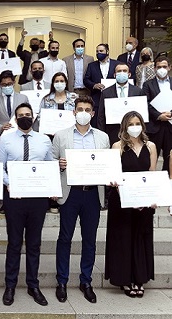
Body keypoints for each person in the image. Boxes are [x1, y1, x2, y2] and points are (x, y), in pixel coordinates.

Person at [52, 96, 110, 304]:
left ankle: (86, 280)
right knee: (65, 238)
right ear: (74, 112)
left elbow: (107, 165)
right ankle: (62, 281)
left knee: (90, 240)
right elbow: (51, 161)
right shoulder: (60, 136)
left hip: (93, 194)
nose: (83, 112)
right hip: (70, 193)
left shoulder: (103, 137)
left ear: (93, 113)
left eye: (87, 109)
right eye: (80, 109)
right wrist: (58, 164)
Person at [0, 102, 52, 307]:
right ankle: (10, 285)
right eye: (20, 115)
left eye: (28, 114)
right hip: (15, 198)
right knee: (14, 243)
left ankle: (33, 285)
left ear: (34, 116)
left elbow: (49, 166)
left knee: (34, 243)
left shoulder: (44, 140)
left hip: (38, 199)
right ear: (15, 117)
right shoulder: (5, 140)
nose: (24, 117)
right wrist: (10, 183)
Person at [105, 111, 157, 298]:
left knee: (140, 239)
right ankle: (124, 280)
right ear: (124, 127)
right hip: (122, 202)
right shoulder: (116, 146)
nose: (134, 126)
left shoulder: (151, 146)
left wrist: (148, 198)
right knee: (123, 239)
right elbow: (115, 176)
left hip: (143, 202)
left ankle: (139, 279)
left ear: (142, 125)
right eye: (130, 123)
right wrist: (129, 198)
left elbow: (151, 173)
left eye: (138, 123)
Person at [97, 63, 145, 145]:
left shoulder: (138, 91)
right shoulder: (106, 92)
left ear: (129, 74)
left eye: (124, 71)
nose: (122, 73)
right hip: (113, 131)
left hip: (133, 131)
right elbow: (101, 115)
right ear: (115, 75)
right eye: (119, 71)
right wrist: (102, 134)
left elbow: (142, 113)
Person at [142, 56, 172, 171]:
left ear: (169, 67)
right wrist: (159, 116)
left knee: (170, 157)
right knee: (151, 157)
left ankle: (168, 183)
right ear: (154, 68)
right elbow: (146, 103)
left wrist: (170, 114)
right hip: (154, 126)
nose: (162, 69)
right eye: (159, 67)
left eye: (164, 66)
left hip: (170, 126)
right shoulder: (148, 84)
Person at [84, 43, 119, 127]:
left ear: (107, 51)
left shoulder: (117, 64)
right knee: (96, 122)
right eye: (97, 51)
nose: (98, 53)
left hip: (113, 98)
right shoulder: (92, 65)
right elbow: (86, 80)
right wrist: (94, 85)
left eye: (101, 51)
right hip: (97, 98)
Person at [0, 70, 29, 139]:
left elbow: (28, 117)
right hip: (1, 136)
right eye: (4, 85)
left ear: (14, 83)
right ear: (0, 84)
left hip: (20, 135)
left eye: (9, 84)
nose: (7, 86)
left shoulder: (23, 98)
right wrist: (1, 127)